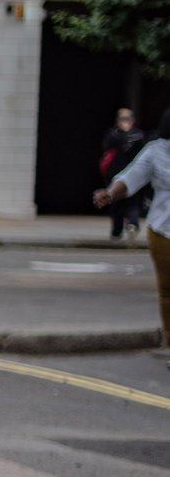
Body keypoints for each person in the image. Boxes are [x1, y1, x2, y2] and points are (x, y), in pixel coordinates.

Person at [95, 129, 170, 359]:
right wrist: (110, 193)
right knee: (167, 291)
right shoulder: (156, 150)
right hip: (163, 230)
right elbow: (132, 176)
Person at [98, 108, 151, 240]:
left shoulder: (114, 135)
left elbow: (105, 150)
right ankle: (132, 225)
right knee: (132, 202)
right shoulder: (139, 136)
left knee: (117, 203)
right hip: (132, 175)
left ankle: (117, 232)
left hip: (117, 175)